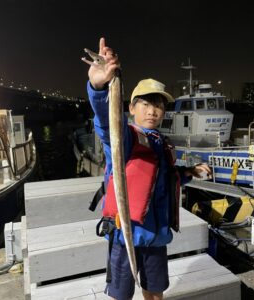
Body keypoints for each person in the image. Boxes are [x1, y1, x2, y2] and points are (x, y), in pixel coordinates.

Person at [85, 37, 211, 300]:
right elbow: (107, 126)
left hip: (156, 235)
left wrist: (189, 172)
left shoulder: (161, 143)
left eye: (158, 105)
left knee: (155, 291)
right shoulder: (126, 136)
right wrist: (99, 87)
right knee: (121, 294)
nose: (152, 111)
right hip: (124, 234)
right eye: (145, 104)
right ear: (131, 108)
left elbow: (164, 179)